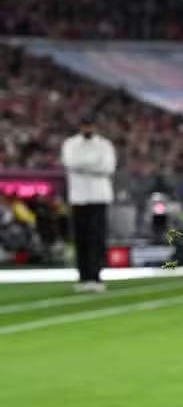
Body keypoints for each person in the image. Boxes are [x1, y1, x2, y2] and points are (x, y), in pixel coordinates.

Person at [60, 118, 118, 293]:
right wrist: (94, 164)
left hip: (99, 197)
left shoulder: (105, 145)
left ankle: (96, 276)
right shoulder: (70, 144)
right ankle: (83, 276)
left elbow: (108, 167)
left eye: (90, 125)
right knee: (81, 238)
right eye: (85, 125)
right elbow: (70, 163)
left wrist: (84, 166)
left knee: (97, 238)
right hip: (78, 197)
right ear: (81, 126)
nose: (88, 128)